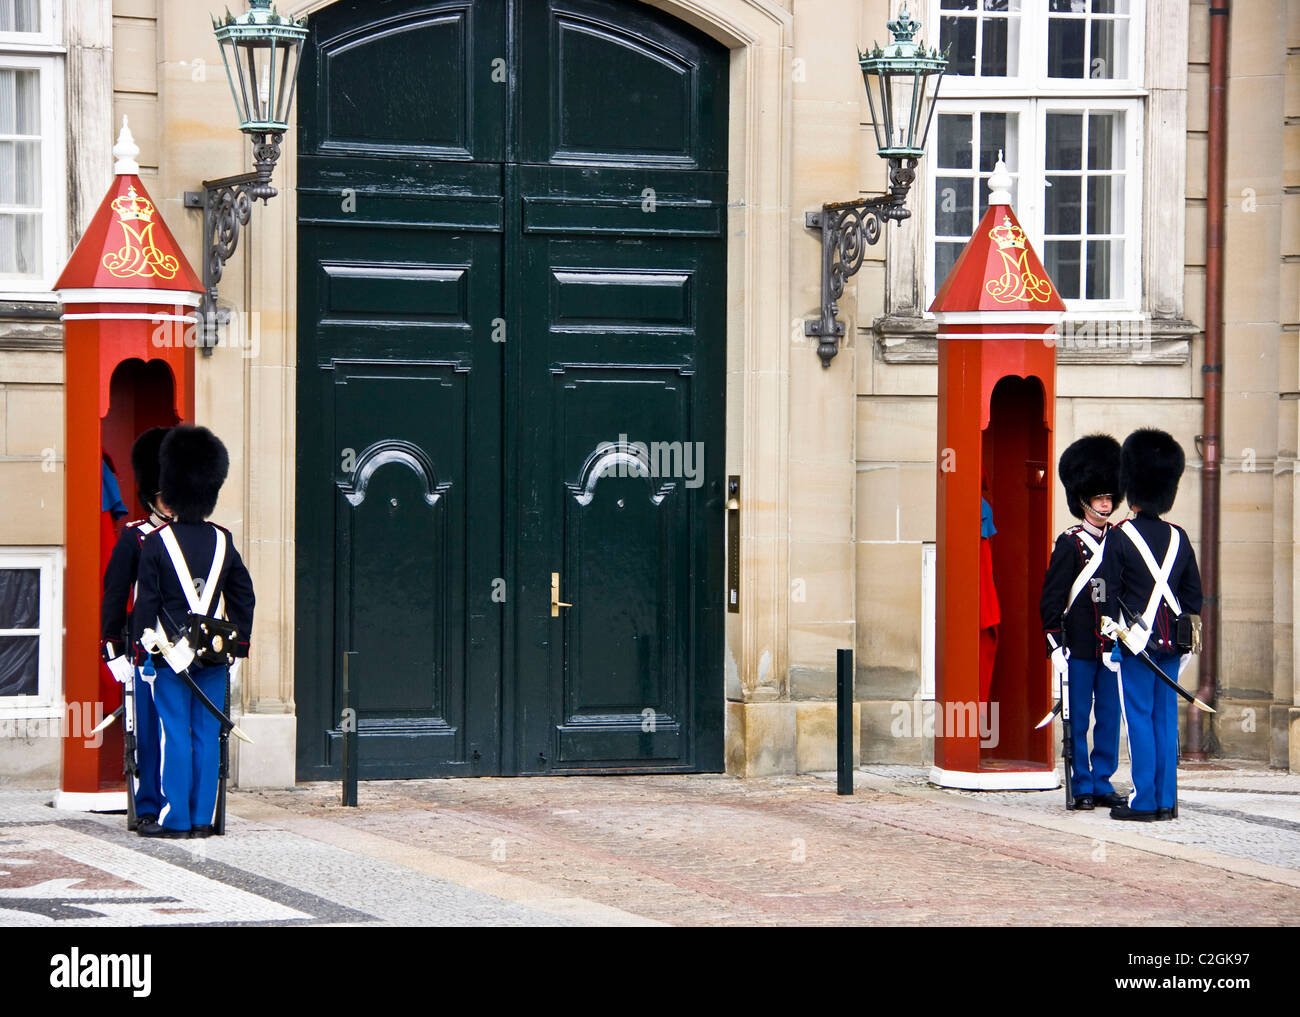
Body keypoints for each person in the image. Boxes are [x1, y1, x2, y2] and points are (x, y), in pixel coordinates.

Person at [132, 426, 254, 838]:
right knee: (205, 735)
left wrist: (139, 650)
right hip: (214, 656)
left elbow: (146, 604)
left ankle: (176, 820)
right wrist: (239, 645)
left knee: (174, 734)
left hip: (169, 656)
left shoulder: (157, 542)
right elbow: (244, 596)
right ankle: (203, 819)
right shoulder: (224, 540)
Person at [1103, 428, 1202, 822]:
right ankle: (1166, 799)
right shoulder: (1179, 537)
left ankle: (1143, 800)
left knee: (1139, 719)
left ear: (1132, 488)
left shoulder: (1120, 536)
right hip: (1171, 646)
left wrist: (1110, 636)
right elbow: (1194, 595)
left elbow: (1106, 593)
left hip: (1135, 644)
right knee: (1164, 720)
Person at [1039, 434, 1125, 810]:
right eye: (1099, 498)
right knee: (1080, 719)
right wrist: (1054, 644)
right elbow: (1052, 598)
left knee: (1109, 717)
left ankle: (1103, 780)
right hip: (1078, 646)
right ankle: (1083, 782)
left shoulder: (1121, 542)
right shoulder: (1070, 543)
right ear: (1084, 501)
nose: (1105, 504)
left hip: (1111, 647)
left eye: (1109, 497)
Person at [101, 427, 172, 830]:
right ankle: (147, 807)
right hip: (146, 650)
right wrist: (112, 647)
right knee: (146, 732)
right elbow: (116, 594)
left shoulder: (199, 536)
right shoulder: (135, 537)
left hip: (187, 648)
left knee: (179, 735)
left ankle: (181, 804)